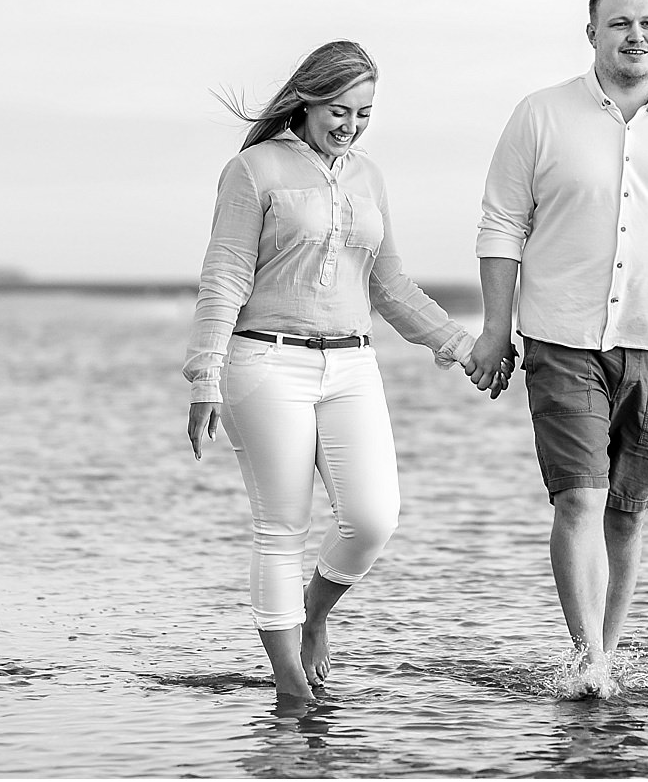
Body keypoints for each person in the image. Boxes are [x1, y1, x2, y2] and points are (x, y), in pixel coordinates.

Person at [468, 0, 648, 697]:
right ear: (592, 33)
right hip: (562, 339)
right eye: (620, 22)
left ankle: (604, 658)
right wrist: (498, 328)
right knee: (579, 499)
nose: (636, 34)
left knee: (626, 513)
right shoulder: (541, 114)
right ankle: (588, 658)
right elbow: (501, 224)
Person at [184, 39, 480, 709]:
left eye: (365, 113)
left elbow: (391, 283)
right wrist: (205, 373)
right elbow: (224, 274)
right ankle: (289, 684)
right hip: (264, 361)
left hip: (352, 363)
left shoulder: (369, 177)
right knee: (281, 526)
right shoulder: (253, 170)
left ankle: (314, 615)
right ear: (307, 97)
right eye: (340, 109)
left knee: (373, 517)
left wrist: (463, 346)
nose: (350, 124)